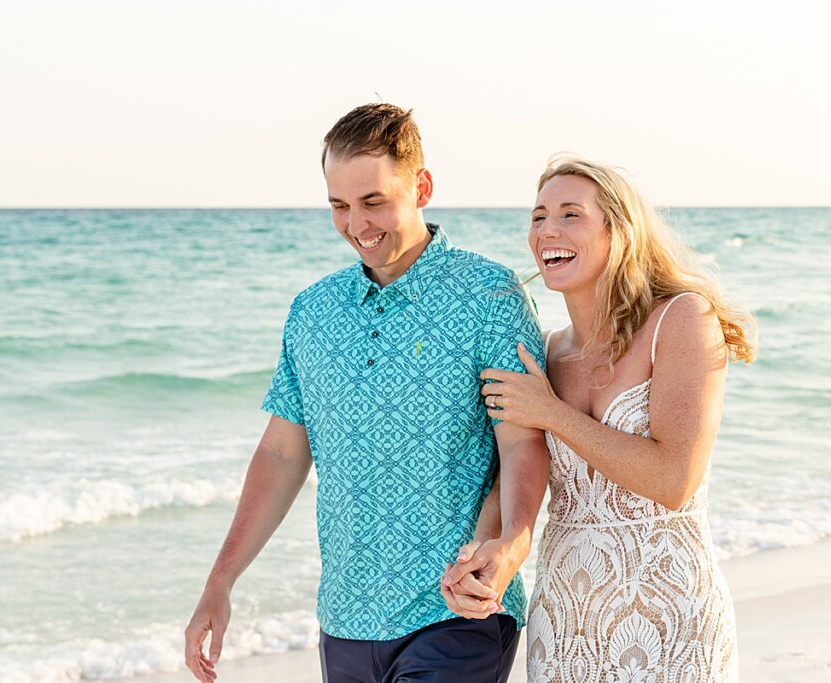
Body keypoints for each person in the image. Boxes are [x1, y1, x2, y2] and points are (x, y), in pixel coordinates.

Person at [183, 104, 550, 683]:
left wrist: (510, 546)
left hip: (457, 611)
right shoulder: (312, 311)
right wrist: (220, 582)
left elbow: (523, 442)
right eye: (339, 206)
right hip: (345, 621)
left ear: (422, 186)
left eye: (373, 201)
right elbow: (281, 453)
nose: (357, 224)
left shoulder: (489, 296)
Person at [442, 157, 755, 682]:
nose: (548, 231)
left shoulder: (681, 319)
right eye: (538, 217)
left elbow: (673, 479)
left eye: (570, 215)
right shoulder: (545, 352)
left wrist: (552, 413)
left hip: (671, 612)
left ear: (619, 232)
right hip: (566, 619)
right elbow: (519, 466)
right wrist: (487, 550)